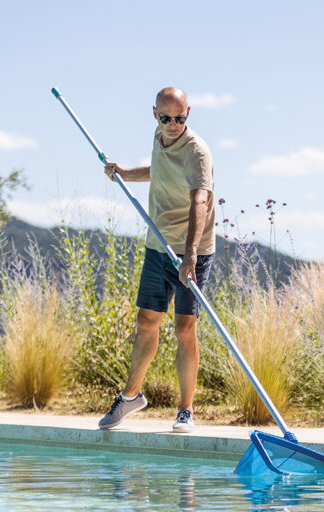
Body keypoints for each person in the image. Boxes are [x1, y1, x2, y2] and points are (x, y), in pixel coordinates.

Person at [98, 87, 215, 433]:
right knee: (147, 320)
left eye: (180, 118)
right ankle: (131, 396)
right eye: (166, 118)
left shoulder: (198, 153)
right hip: (158, 243)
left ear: (188, 114)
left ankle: (185, 411)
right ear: (155, 115)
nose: (173, 124)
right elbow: (161, 171)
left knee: (184, 327)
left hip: (193, 249)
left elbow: (200, 202)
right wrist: (125, 173)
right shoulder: (159, 136)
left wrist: (190, 254)